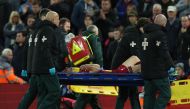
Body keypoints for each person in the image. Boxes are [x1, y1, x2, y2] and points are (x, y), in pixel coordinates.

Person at [111, 18, 150, 109]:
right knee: (127, 94)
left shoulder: (136, 34)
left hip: (125, 68)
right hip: (121, 69)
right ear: (141, 27)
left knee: (130, 94)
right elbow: (136, 53)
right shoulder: (133, 35)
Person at [18, 8, 51, 109]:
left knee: (31, 94)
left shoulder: (33, 31)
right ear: (44, 17)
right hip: (39, 69)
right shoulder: (43, 31)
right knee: (42, 93)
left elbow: (26, 51)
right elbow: (30, 51)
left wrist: (25, 68)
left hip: (33, 69)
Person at [141, 14, 174, 109]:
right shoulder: (160, 34)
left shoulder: (144, 35)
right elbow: (164, 52)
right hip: (158, 72)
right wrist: (171, 66)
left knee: (149, 96)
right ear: (164, 23)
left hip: (146, 72)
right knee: (166, 94)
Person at [73, 25, 103, 109]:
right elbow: (98, 55)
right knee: (85, 94)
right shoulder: (94, 38)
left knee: (92, 96)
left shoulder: (80, 37)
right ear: (95, 32)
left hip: (81, 68)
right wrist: (100, 68)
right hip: (92, 70)